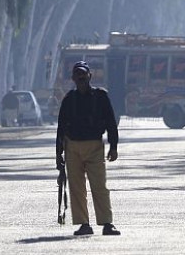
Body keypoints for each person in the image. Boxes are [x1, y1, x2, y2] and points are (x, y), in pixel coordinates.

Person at [55, 61, 121, 236]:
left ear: (89, 76)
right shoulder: (69, 99)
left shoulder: (101, 96)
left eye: (83, 75)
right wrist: (58, 154)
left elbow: (111, 123)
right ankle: (84, 224)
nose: (81, 78)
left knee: (99, 186)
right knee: (77, 188)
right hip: (73, 147)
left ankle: (107, 223)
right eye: (78, 76)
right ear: (73, 79)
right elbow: (61, 128)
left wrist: (113, 146)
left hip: (94, 146)